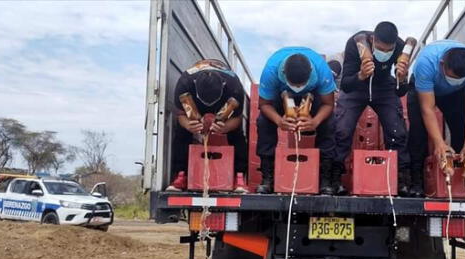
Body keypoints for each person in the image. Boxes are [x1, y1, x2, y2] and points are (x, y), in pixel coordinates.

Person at [333, 22, 412, 195]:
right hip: (357, 84)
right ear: (372, 39)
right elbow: (345, 85)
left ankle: (402, 178)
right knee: (342, 129)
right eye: (380, 48)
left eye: (388, 50)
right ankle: (334, 177)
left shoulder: (399, 46)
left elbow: (400, 92)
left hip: (384, 86)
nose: (384, 53)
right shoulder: (355, 43)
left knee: (397, 130)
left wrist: (403, 78)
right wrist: (361, 75)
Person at [406, 40, 465, 197]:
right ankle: (416, 183)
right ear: (442, 64)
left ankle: (457, 181)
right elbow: (427, 109)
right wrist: (439, 143)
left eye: (460, 78)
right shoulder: (426, 63)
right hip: (423, 91)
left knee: (461, 131)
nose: (455, 80)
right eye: (452, 77)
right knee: (418, 134)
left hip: (454, 95)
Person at [256, 47, 337, 195]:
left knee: (329, 122)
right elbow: (264, 104)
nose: (298, 88)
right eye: (295, 84)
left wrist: (315, 121)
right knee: (263, 121)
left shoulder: (322, 70)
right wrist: (279, 121)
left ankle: (325, 179)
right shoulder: (271, 71)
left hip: (314, 96)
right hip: (281, 96)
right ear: (284, 74)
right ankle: (267, 177)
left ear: (311, 73)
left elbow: (328, 104)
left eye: (302, 84)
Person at [166, 59, 248, 193]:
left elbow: (237, 119)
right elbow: (180, 115)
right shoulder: (185, 84)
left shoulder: (234, 87)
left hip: (224, 103)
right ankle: (180, 175)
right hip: (195, 103)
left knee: (236, 133)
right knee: (182, 131)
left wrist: (226, 127)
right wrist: (188, 125)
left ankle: (239, 176)